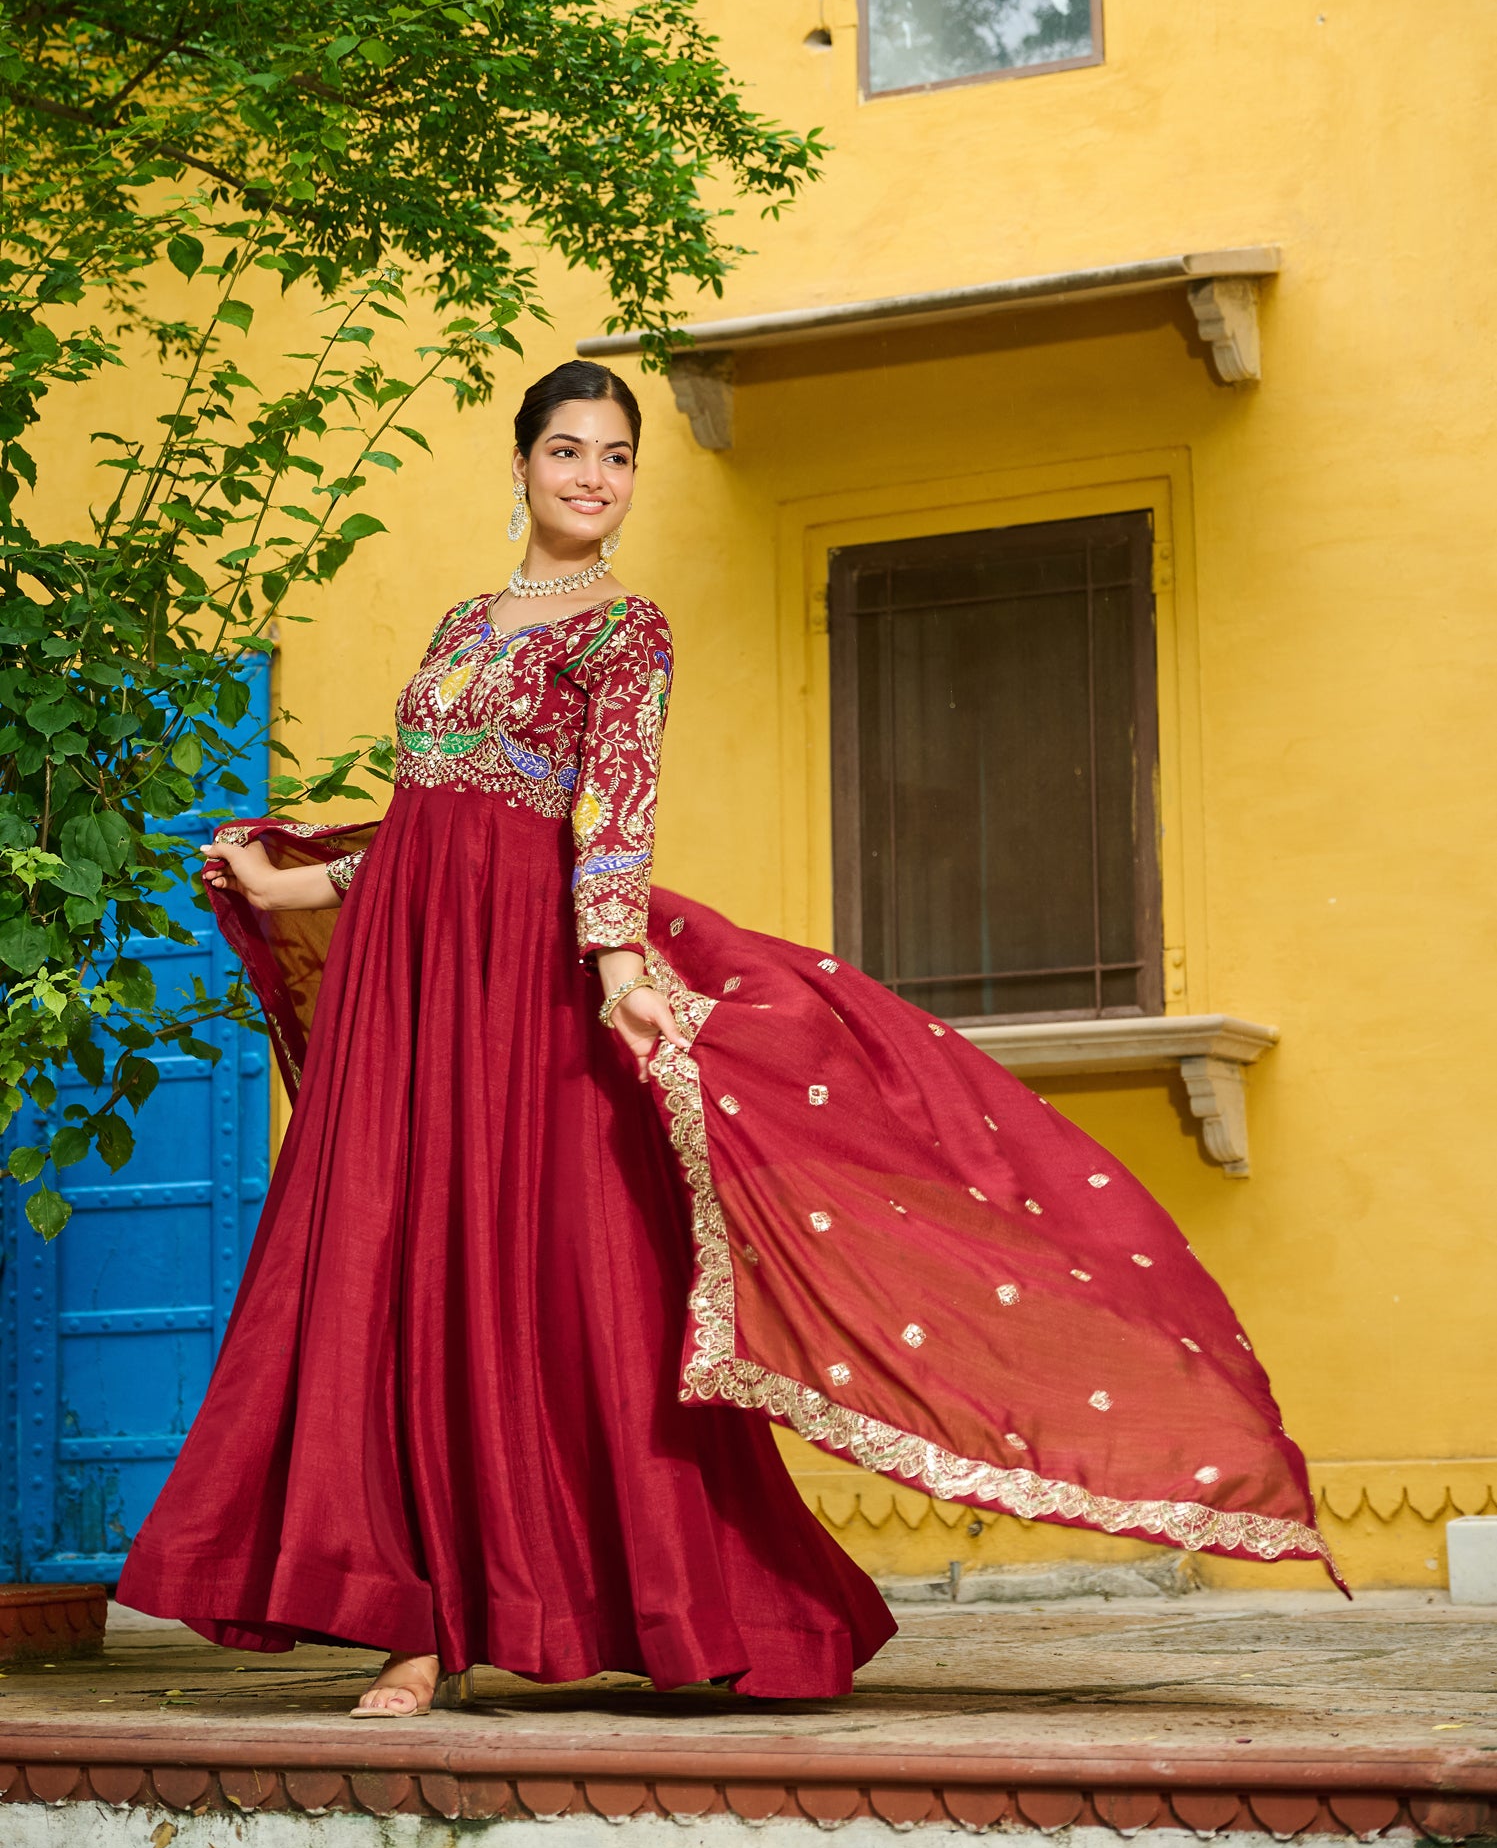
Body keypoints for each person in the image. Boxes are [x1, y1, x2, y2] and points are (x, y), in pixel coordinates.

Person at [117, 359, 1337, 1716]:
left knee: (546, 1277)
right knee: (395, 1267)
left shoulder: (624, 631)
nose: (592, 477)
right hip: (410, 983)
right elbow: (429, 823)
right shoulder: (462, 623)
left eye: (616, 456)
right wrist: (296, 887)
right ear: (520, 464)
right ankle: (415, 1623)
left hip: (526, 984)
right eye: (567, 450)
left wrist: (618, 965)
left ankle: (596, 1606)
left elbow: (612, 811)